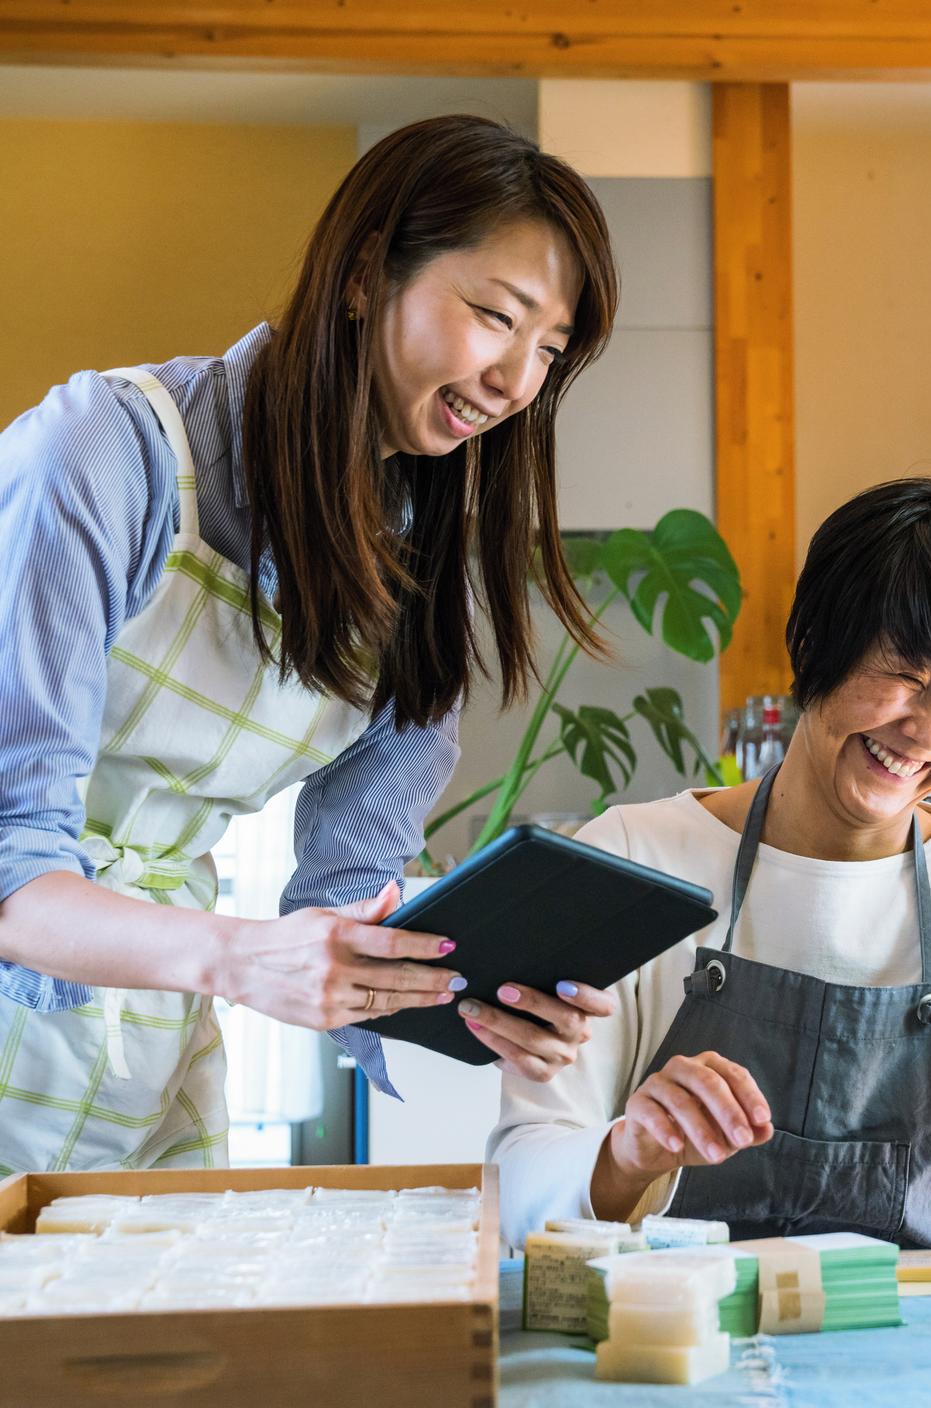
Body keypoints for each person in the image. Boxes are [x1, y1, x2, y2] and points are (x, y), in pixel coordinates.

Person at [0, 115, 621, 1174]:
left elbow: (350, 888)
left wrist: (461, 994)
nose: (518, 380)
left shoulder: (418, 576)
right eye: (492, 315)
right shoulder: (105, 454)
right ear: (364, 274)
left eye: (550, 351)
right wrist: (240, 958)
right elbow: (14, 861)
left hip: (146, 1064)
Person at [490, 477, 931, 1250]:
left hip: (930, 1348)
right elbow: (522, 1186)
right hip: (680, 1345)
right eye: (907, 676)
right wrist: (627, 1154)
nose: (929, 732)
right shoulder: (628, 861)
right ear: (817, 642)